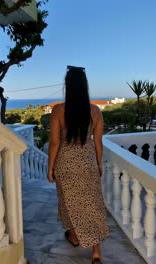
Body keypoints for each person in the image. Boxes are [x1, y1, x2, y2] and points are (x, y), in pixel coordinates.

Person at [47, 66, 109, 264]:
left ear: (68, 86)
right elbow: (98, 142)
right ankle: (95, 251)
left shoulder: (58, 110)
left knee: (69, 201)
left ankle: (74, 236)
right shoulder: (95, 111)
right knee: (92, 204)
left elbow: (55, 142)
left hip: (65, 164)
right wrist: (98, 164)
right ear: (85, 87)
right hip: (87, 162)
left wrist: (50, 167)